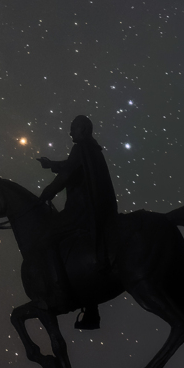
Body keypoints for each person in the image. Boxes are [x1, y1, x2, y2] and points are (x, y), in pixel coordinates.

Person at [37, 114, 117, 329]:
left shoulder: (82, 149)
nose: (70, 132)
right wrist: (51, 164)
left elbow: (66, 175)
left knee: (46, 241)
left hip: (80, 212)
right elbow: (70, 166)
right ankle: (91, 309)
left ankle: (60, 294)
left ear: (83, 130)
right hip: (94, 209)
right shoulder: (91, 149)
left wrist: (45, 194)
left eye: (73, 128)